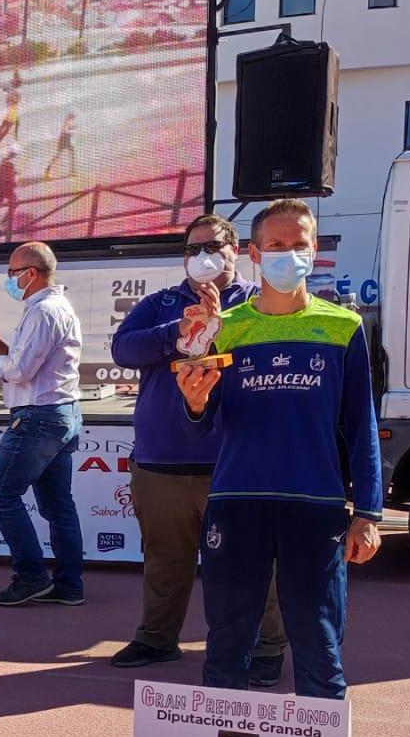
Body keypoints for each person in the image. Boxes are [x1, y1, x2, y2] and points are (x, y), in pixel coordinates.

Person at [176, 198, 383, 700]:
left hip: (315, 505)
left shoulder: (343, 326)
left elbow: (363, 426)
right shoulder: (226, 326)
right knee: (226, 645)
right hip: (237, 502)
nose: (288, 254)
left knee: (319, 643)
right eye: (276, 245)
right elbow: (200, 422)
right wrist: (195, 403)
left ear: (314, 251)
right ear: (254, 253)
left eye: (298, 245)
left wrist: (368, 512)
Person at [110, 214, 286, 684]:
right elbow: (123, 350)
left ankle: (266, 647)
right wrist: (180, 330)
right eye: (192, 249)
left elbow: (268, 358)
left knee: (252, 563)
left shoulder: (259, 302)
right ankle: (156, 638)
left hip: (234, 463)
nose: (201, 256)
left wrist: (219, 325)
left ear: (236, 250)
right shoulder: (161, 303)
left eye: (211, 246)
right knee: (164, 559)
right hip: (160, 461)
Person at [0, 241, 84, 607]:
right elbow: (26, 366)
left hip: (39, 417)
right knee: (58, 505)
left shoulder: (44, 311)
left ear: (31, 273)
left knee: (0, 496)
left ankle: (32, 577)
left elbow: (20, 371)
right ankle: (68, 585)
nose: (8, 278)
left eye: (12, 272)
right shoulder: (50, 307)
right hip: (57, 413)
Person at [0, 144, 19, 234]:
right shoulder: (10, 164)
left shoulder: (3, 161)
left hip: (0, 186)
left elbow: (4, 173)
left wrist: (14, 173)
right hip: (7, 187)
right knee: (14, 203)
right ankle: (7, 224)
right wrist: (14, 182)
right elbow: (8, 177)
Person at [43, 111, 78, 181]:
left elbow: (66, 131)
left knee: (69, 155)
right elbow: (65, 131)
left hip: (66, 139)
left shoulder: (69, 121)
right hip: (65, 139)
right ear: (71, 116)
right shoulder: (67, 121)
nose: (74, 117)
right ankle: (47, 171)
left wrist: (72, 128)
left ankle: (72, 171)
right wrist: (72, 129)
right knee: (60, 156)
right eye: (73, 116)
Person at [0, 75, 22, 144]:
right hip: (13, 109)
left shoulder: (11, 90)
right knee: (9, 126)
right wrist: (15, 101)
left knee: (12, 121)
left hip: (11, 108)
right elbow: (16, 101)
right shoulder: (17, 92)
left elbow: (7, 99)